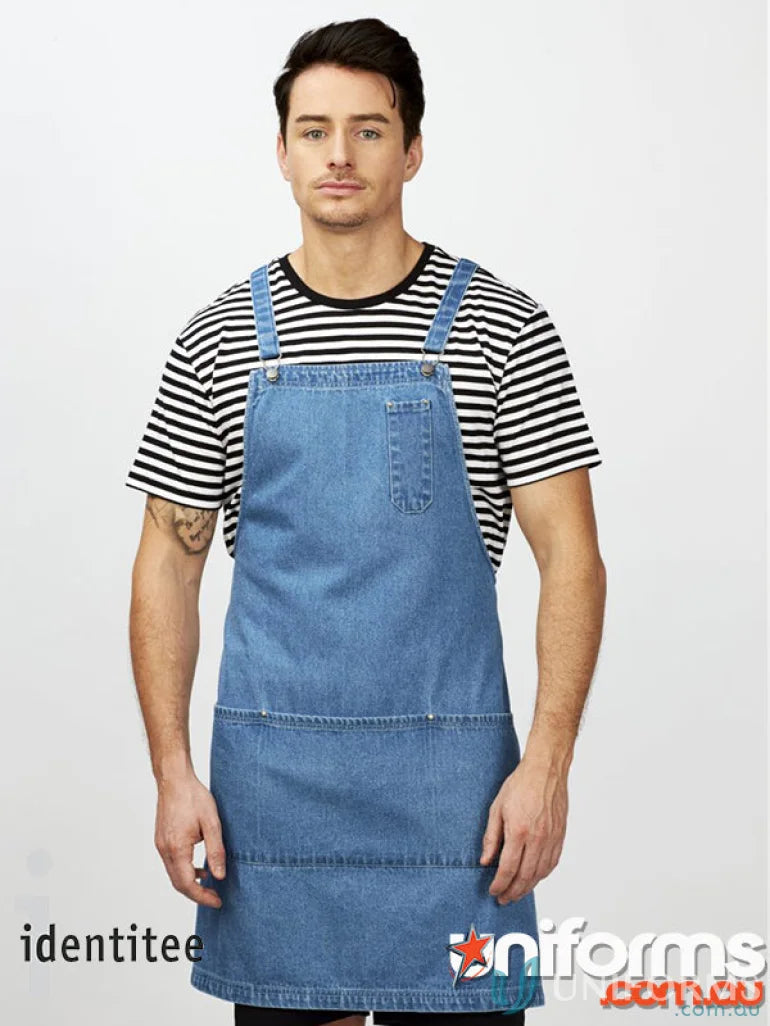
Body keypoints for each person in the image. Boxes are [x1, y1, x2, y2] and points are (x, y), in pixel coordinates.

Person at [125, 17, 606, 1026]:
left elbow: (571, 558)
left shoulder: (502, 326)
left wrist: (547, 766)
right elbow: (167, 566)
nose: (337, 155)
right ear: (281, 150)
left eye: (367, 130)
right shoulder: (216, 339)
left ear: (412, 147)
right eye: (312, 131)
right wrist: (172, 773)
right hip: (272, 799)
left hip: (458, 803)